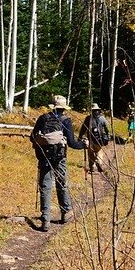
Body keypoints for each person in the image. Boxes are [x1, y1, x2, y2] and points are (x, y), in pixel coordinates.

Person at [30, 95, 88, 232]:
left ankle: (45, 220)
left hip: (44, 157)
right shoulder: (65, 120)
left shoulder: (43, 118)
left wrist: (40, 145)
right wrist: (84, 145)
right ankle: (66, 212)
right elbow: (73, 143)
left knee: (45, 186)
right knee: (62, 183)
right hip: (60, 157)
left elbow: (32, 137)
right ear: (63, 108)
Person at [78, 103, 110, 173]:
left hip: (90, 139)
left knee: (90, 153)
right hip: (100, 139)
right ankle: (99, 162)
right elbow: (107, 129)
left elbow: (83, 128)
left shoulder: (88, 118)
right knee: (99, 152)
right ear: (98, 110)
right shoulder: (102, 118)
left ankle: (92, 168)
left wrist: (80, 137)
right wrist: (108, 137)